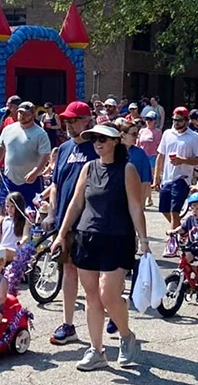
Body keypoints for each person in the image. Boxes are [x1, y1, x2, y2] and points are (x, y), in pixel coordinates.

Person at [50, 124, 150, 371]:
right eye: (94, 139)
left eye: (103, 139)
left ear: (116, 141)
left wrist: (144, 241)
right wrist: (62, 234)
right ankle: (96, 351)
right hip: (87, 237)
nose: (98, 143)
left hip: (117, 238)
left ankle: (126, 337)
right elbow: (75, 203)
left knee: (108, 295)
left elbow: (136, 207)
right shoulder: (88, 167)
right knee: (92, 297)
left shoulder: (127, 169)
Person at [43, 101, 98, 346]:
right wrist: (52, 213)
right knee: (68, 271)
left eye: (74, 120)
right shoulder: (63, 148)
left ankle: (105, 323)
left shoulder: (98, 148)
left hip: (90, 223)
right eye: (66, 120)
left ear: (87, 120)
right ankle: (68, 324)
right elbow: (55, 184)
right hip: (64, 222)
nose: (69, 124)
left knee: (93, 277)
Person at [0, 101, 52, 215]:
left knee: (31, 211)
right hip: (9, 178)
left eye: (25, 114)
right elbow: (0, 147)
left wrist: (36, 171)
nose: (22, 116)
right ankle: (1, 231)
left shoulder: (40, 134)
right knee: (5, 208)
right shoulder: (8, 129)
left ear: (32, 115)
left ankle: (29, 232)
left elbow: (45, 155)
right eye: (20, 113)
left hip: (31, 181)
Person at [153, 107, 198, 236]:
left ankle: (172, 240)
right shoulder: (167, 133)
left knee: (174, 211)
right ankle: (183, 230)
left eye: (179, 120)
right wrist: (156, 177)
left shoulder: (194, 137)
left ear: (187, 121)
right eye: (174, 120)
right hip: (167, 178)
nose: (176, 123)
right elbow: (161, 155)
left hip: (183, 178)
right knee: (164, 209)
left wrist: (183, 160)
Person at [167, 191, 198, 302]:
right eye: (193, 208)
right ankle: (181, 281)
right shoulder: (190, 219)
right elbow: (182, 228)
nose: (195, 211)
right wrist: (174, 231)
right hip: (192, 247)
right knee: (183, 261)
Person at [115, 119, 153, 212]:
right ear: (123, 135)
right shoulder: (112, 151)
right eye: (134, 134)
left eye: (137, 134)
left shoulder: (140, 153)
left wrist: (141, 203)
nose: (136, 137)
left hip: (133, 201)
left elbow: (145, 180)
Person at [137, 111, 162, 200]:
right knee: (141, 178)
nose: (148, 121)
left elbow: (159, 146)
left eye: (150, 119)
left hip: (152, 156)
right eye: (147, 119)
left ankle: (148, 197)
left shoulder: (157, 132)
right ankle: (146, 196)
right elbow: (138, 144)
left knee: (148, 178)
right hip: (143, 156)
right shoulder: (142, 131)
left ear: (155, 121)